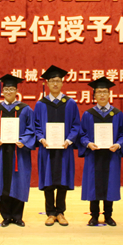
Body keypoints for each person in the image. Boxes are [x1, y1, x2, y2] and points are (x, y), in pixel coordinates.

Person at [34, 65, 81, 226]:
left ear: (62, 83)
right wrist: (41, 138)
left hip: (64, 148)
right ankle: (50, 213)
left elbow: (76, 125)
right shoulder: (41, 104)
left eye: (58, 81)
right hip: (46, 148)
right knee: (48, 181)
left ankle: (60, 212)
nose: (55, 83)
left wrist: (69, 140)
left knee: (63, 180)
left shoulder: (70, 103)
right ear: (47, 83)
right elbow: (36, 125)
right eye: (52, 81)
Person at [0, 74, 36, 227]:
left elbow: (31, 129)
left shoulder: (25, 110)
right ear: (2, 91)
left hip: (19, 153)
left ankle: (18, 216)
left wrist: (24, 140)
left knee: (20, 182)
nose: (8, 92)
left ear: (16, 91)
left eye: (11, 89)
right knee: (3, 182)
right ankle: (6, 216)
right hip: (2, 153)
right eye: (6, 89)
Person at [78, 77, 123, 227]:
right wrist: (88, 143)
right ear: (94, 95)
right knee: (93, 185)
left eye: (105, 92)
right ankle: (94, 216)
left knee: (110, 184)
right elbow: (82, 134)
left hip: (111, 155)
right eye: (99, 92)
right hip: (94, 155)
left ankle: (108, 215)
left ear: (109, 94)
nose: (102, 95)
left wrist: (118, 144)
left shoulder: (117, 114)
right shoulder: (88, 114)